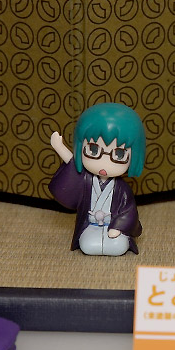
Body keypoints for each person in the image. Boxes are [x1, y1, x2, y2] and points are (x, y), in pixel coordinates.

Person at [49, 103, 145, 255]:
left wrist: (118, 227)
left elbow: (129, 212)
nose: (104, 164)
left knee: (118, 246)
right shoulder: (86, 181)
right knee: (88, 245)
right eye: (93, 150)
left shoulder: (122, 189)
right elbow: (72, 166)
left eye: (119, 154)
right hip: (91, 226)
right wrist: (60, 148)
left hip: (114, 227)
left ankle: (116, 236)